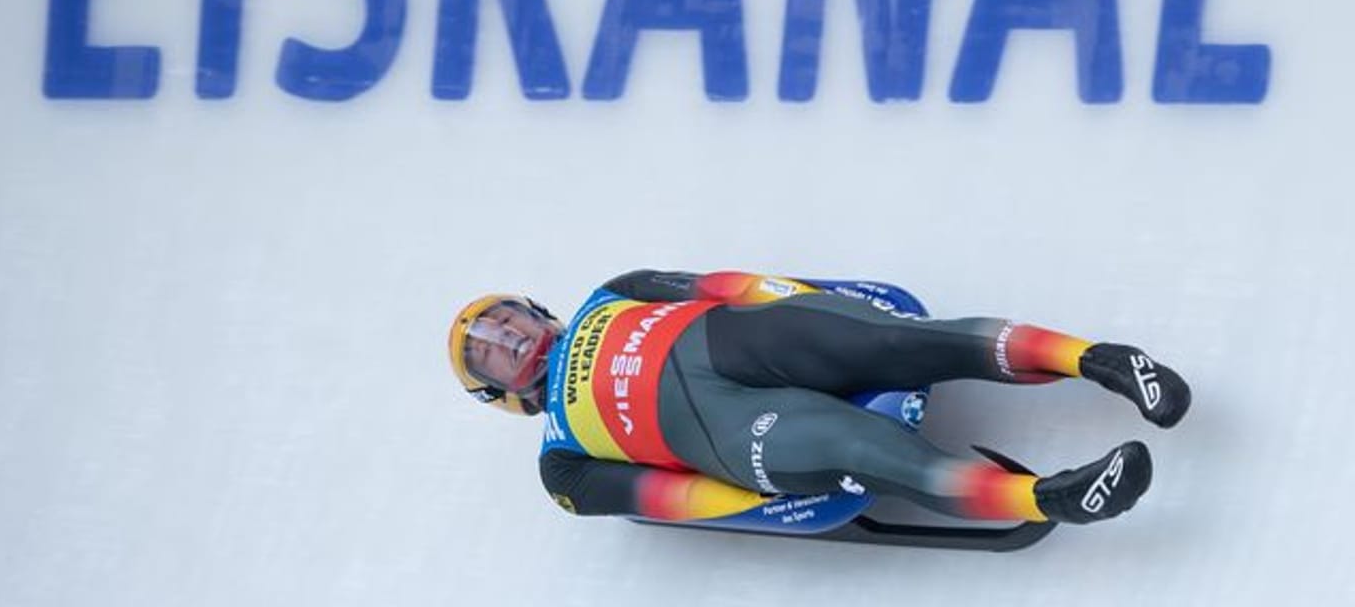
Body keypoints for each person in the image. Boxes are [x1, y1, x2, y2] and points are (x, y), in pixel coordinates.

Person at [446, 270, 1191, 527]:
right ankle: (1051, 498)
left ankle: (1100, 360)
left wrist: (814, 305)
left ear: (535, 308)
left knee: (899, 344)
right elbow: (677, 499)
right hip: (730, 432)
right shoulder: (563, 468)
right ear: (502, 396)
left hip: (744, 339)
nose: (514, 345)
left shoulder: (615, 290)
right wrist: (766, 501)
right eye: (496, 356)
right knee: (857, 447)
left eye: (506, 325)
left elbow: (727, 288)